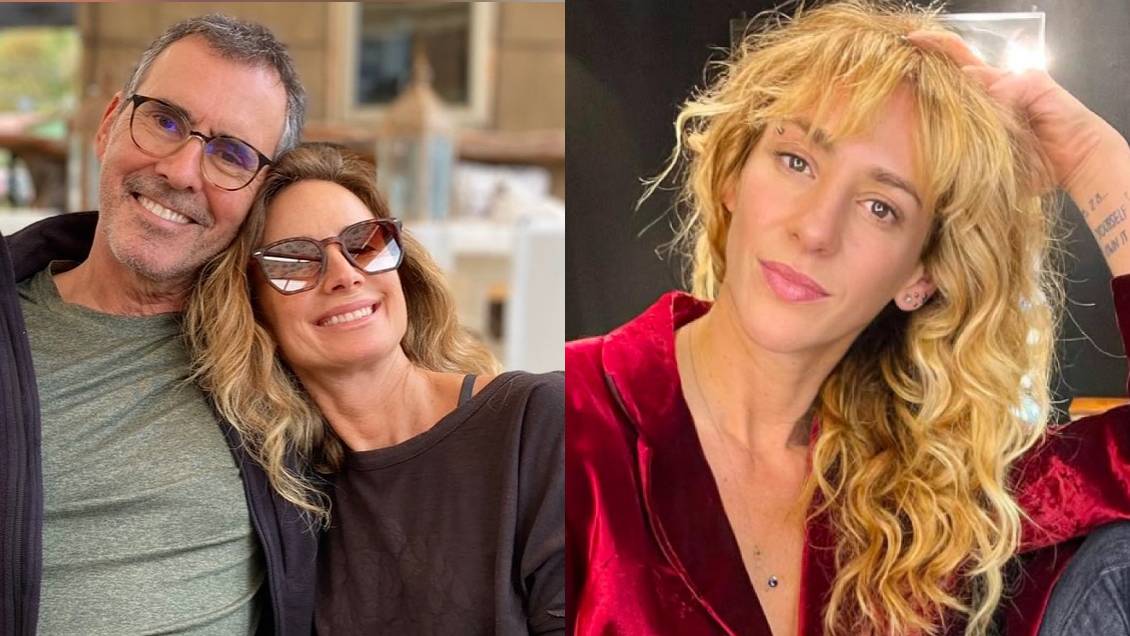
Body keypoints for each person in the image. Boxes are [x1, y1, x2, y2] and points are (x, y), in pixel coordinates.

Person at [565, 1, 1130, 635]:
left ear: (919, 276)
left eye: (880, 207)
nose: (815, 229)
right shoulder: (568, 417)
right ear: (732, 178)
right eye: (796, 161)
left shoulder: (929, 497)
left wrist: (1095, 160)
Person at [0, 14, 315, 635]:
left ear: (262, 195)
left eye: (231, 155)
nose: (181, 170)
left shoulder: (283, 350)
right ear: (109, 125)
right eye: (165, 121)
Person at [182, 142, 566, 634]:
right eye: (294, 260)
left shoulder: (539, 422)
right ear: (251, 306)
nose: (345, 275)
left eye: (364, 243)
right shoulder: (284, 502)